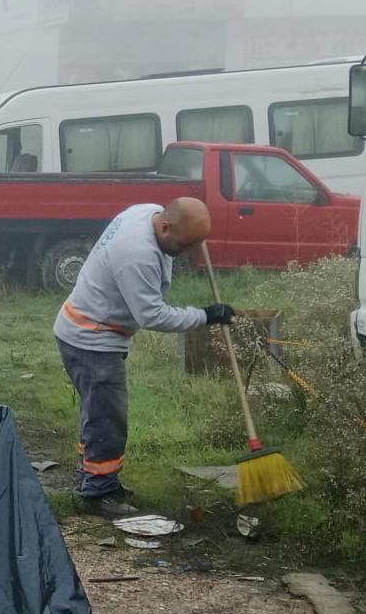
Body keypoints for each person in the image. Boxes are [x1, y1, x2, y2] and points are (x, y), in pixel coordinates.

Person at [53, 197, 234, 517]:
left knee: (98, 411)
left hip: (89, 329)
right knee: (107, 417)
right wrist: (204, 316)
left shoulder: (147, 212)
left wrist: (189, 240)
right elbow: (152, 315)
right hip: (91, 338)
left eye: (194, 245)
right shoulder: (136, 255)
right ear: (165, 227)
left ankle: (95, 476)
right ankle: (99, 492)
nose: (186, 252)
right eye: (182, 244)